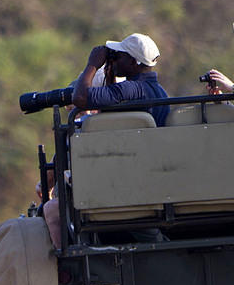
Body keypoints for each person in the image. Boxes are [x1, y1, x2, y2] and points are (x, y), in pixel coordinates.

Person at [42, 33, 170, 249]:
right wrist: (110, 73)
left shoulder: (132, 89)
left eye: (118, 56)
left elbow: (80, 99)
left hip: (121, 187)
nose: (114, 59)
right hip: (148, 181)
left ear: (133, 62)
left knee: (51, 210)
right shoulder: (160, 92)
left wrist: (93, 65)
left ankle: (71, 255)